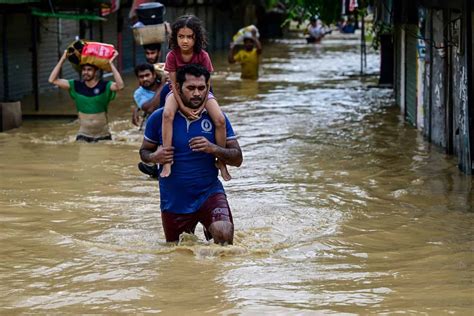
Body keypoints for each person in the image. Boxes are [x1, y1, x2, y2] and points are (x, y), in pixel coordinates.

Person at [139, 64, 242, 244]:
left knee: (224, 234)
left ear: (207, 88)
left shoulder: (217, 118)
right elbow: (144, 152)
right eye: (191, 88)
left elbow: (237, 159)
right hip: (174, 200)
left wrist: (214, 148)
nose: (197, 93)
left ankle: (211, 226)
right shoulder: (160, 118)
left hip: (209, 193)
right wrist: (155, 157)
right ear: (178, 89)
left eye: (201, 88)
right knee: (178, 253)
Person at [161, 14, 230, 181]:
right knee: (167, 114)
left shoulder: (203, 55)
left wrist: (201, 106)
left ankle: (221, 162)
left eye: (189, 37)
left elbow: (207, 84)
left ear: (196, 38)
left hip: (203, 93)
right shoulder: (172, 56)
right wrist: (183, 107)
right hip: (177, 92)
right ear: (175, 37)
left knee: (220, 120)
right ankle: (167, 161)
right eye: (181, 36)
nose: (185, 41)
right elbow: (174, 84)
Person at [48, 49, 124, 142]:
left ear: (95, 72)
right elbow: (52, 80)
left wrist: (111, 64)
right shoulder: (75, 85)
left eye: (89, 70)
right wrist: (63, 59)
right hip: (83, 135)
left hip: (103, 135)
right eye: (83, 70)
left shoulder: (105, 86)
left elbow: (120, 86)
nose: (85, 72)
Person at [133, 63, 167, 178]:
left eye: (147, 75)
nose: (145, 79)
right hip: (153, 128)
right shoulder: (138, 93)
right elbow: (150, 108)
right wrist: (163, 85)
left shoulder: (168, 85)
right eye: (141, 77)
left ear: (154, 75)